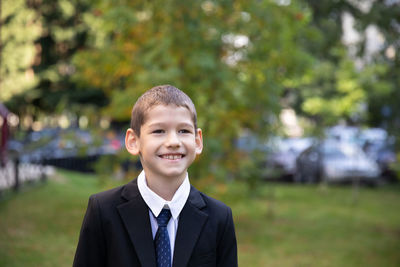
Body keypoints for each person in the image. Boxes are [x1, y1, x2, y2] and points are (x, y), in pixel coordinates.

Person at [73, 85, 238, 267]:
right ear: (133, 141)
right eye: (159, 131)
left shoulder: (219, 217)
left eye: (183, 131)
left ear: (197, 141)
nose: (173, 142)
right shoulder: (103, 211)